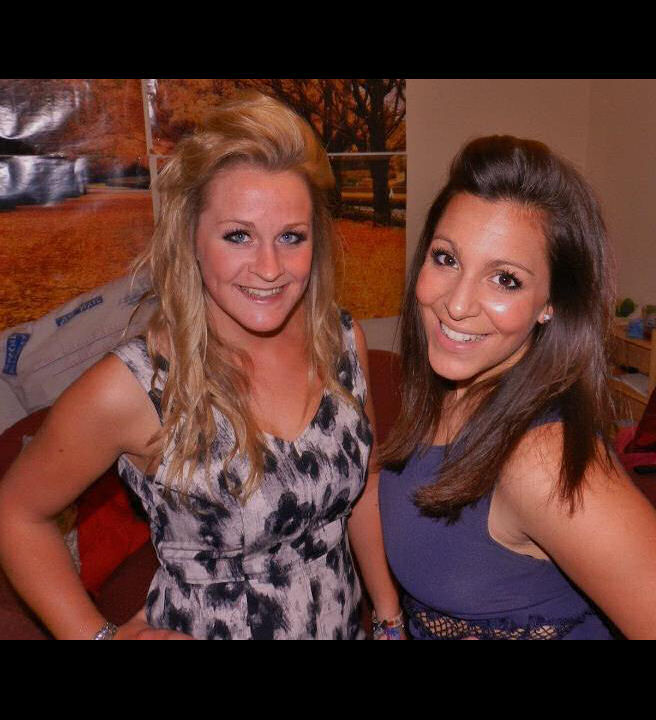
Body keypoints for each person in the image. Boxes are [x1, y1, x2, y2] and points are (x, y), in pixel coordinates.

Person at [0, 91, 402, 640]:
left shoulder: (341, 342)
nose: (269, 268)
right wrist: (97, 636)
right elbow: (15, 513)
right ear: (191, 237)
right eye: (238, 235)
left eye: (291, 236)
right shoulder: (137, 386)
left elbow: (367, 484)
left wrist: (388, 615)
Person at [378, 135, 656, 640]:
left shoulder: (541, 459)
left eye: (505, 279)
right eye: (446, 258)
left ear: (551, 303)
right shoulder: (447, 389)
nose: (457, 304)